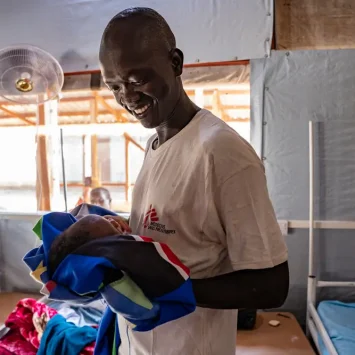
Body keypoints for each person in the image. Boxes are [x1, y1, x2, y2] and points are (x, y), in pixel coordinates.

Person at [99, 7, 289, 355]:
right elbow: (181, 232)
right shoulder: (155, 144)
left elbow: (272, 285)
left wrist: (179, 292)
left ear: (175, 64)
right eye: (115, 86)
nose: (127, 97)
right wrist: (117, 233)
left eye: (137, 80)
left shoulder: (221, 152)